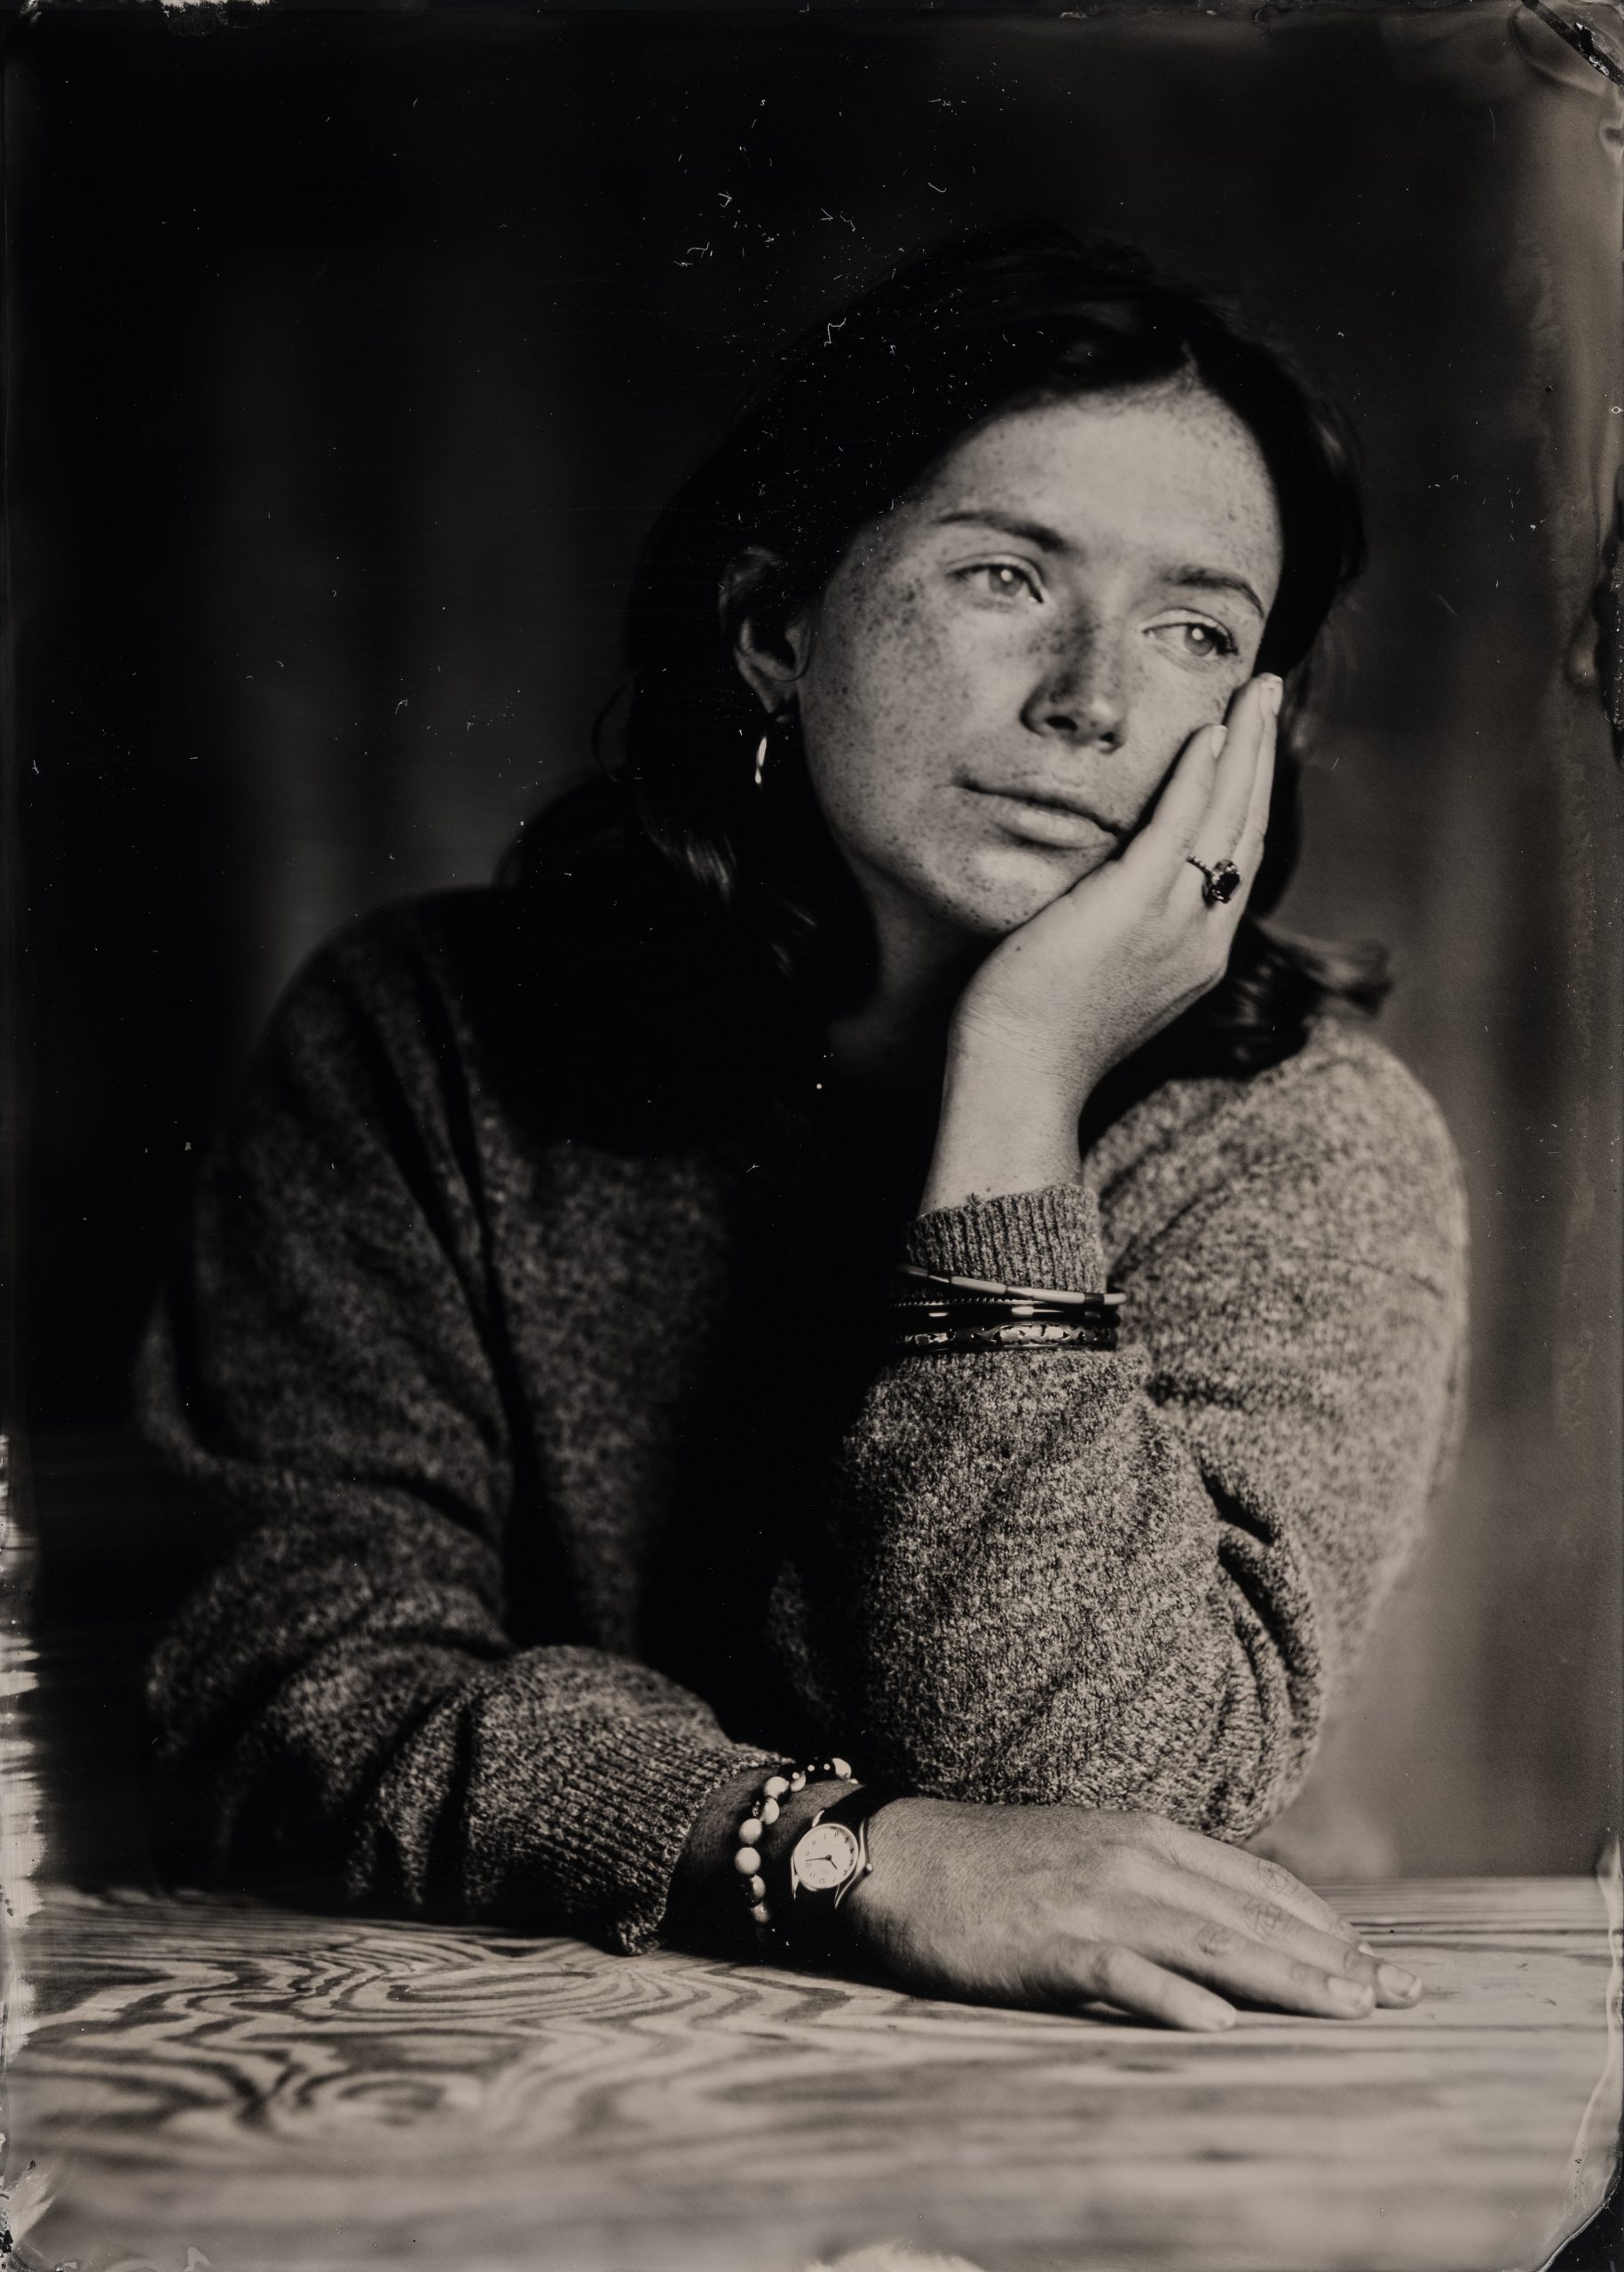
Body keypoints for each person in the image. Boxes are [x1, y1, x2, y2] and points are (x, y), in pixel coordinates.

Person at [133, 225, 1469, 2034]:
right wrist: (834, 1854)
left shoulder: (1304, 1139)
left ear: (1251, 727)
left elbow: (1086, 1789)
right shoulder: (421, 1040)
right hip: (473, 2046)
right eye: (1004, 576)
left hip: (1093, 2089)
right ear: (776, 630)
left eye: (1192, 631)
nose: (1090, 699)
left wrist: (1016, 1086)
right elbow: (294, 1680)